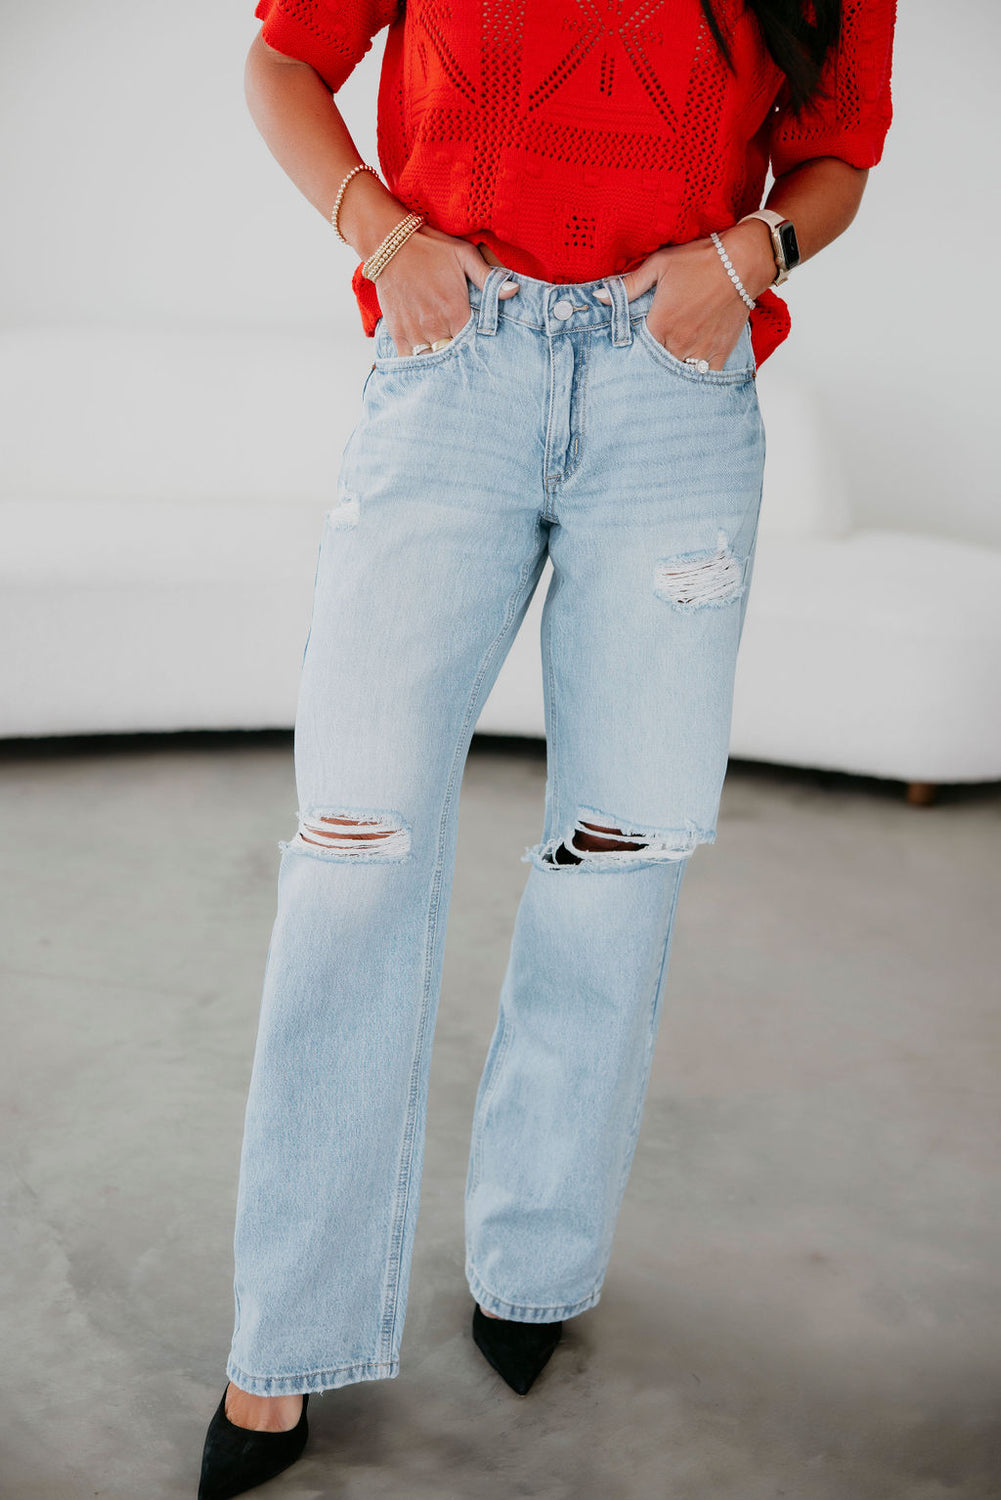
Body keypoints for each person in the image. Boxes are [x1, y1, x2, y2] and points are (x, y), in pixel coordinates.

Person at [198, 0, 896, 1493]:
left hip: (673, 403)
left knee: (615, 859)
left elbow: (837, 154)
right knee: (353, 857)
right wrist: (382, 234)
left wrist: (749, 258)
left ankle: (533, 1262)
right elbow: (282, 60)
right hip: (449, 379)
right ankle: (283, 1338)